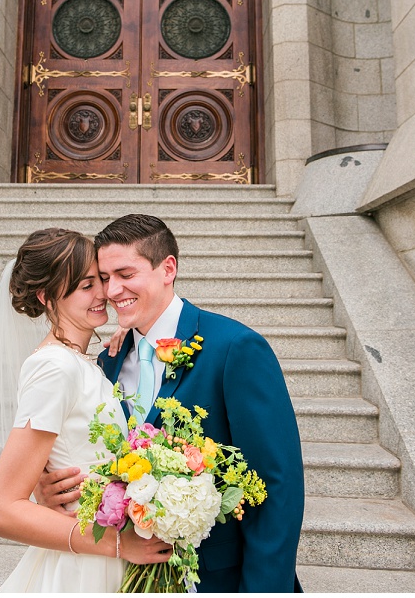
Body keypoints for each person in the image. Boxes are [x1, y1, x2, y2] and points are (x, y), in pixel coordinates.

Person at [35, 214, 306, 592]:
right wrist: (49, 491)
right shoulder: (107, 361)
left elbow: (277, 487)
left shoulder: (235, 348)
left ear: (168, 268)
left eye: (126, 274)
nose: (112, 291)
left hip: (217, 580)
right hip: (128, 576)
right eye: (104, 278)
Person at [0, 228, 172, 591]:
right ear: (47, 297)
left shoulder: (86, 361)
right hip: (88, 562)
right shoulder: (54, 367)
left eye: (101, 280)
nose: (104, 293)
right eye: (87, 286)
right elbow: (0, 510)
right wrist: (120, 545)